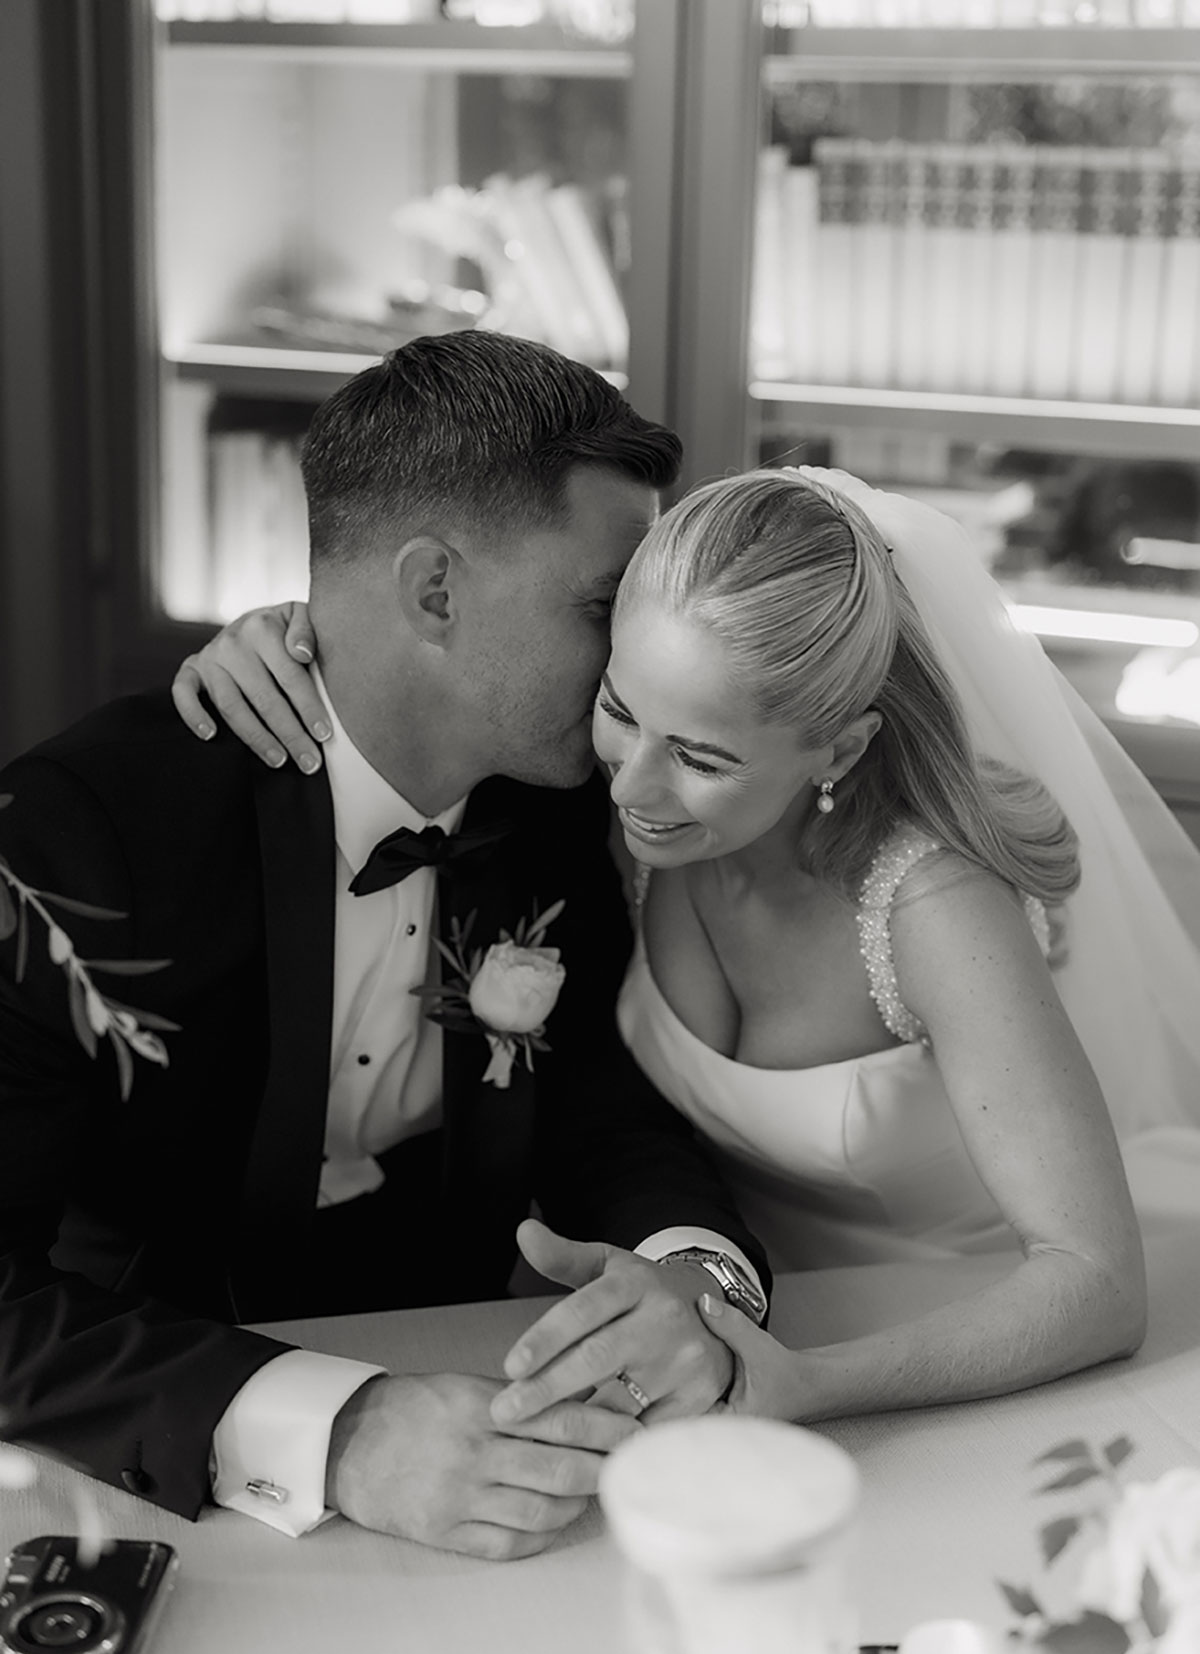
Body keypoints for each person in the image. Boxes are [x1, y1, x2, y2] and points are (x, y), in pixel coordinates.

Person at [183, 463, 1200, 1432]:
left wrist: (806, 1382)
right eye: (621, 709)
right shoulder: (615, 810)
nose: (631, 787)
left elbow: (1096, 1285)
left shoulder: (932, 904)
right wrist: (283, 643)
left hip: (965, 1340)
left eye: (705, 758)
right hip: (718, 1300)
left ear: (839, 748)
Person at [0, 332, 773, 1563]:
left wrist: (698, 1283)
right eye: (602, 606)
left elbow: (603, 1113)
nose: (639, 661)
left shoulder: (562, 798)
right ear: (434, 592)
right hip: (159, 1455)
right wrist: (341, 1430)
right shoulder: (83, 839)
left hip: (490, 1396)